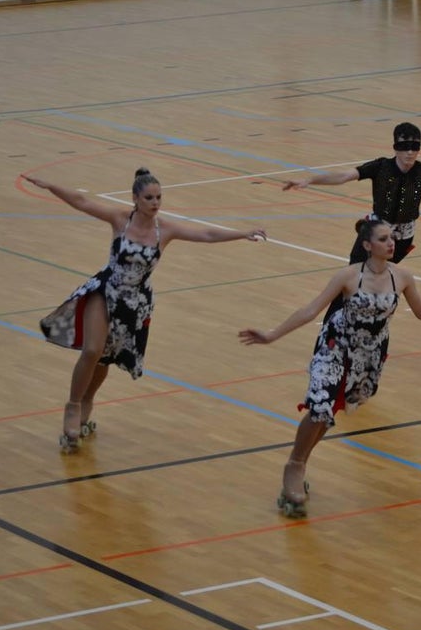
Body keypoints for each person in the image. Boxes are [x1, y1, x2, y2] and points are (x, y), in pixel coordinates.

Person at [239, 217, 421, 518]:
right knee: (320, 407)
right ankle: (294, 466)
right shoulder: (348, 276)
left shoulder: (402, 276)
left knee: (330, 413)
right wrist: (272, 335)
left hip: (369, 355)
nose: (391, 242)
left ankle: (301, 461)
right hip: (336, 346)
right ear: (367, 245)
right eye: (383, 239)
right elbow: (310, 310)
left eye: (391, 237)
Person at [25, 167, 267, 452]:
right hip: (105, 291)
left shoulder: (165, 229)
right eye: (149, 197)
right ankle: (73, 405)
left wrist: (243, 233)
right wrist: (50, 184)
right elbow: (82, 201)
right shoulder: (119, 219)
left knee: (105, 358)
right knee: (92, 350)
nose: (155, 203)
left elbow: (207, 233)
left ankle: (88, 399)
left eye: (159, 197)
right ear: (135, 199)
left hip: (135, 302)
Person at [282, 121, 421, 340]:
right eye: (405, 147)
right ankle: (331, 331)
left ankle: (367, 325)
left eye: (415, 147)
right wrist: (309, 180)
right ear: (395, 147)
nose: (410, 153)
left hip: (402, 239)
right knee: (352, 278)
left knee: (378, 279)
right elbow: (344, 176)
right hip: (375, 232)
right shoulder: (381, 167)